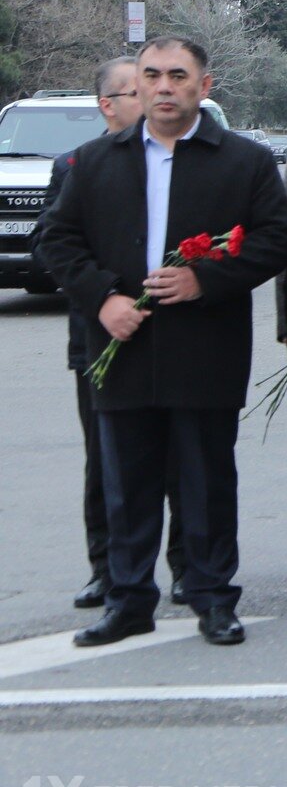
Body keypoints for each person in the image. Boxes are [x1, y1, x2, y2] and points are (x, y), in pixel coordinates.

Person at [40, 36, 287, 648]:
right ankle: (128, 599)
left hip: (205, 346)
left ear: (204, 87)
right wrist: (103, 298)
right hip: (123, 347)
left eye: (177, 75)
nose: (163, 86)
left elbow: (276, 240)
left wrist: (204, 277)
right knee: (126, 483)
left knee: (206, 481)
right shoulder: (95, 162)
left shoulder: (243, 162)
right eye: (151, 75)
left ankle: (212, 598)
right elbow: (56, 238)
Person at [34, 57, 186, 611]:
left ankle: (188, 567)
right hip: (102, 340)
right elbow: (46, 244)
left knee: (183, 460)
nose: (154, 97)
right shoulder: (75, 164)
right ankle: (107, 568)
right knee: (109, 463)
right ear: (108, 105)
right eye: (136, 89)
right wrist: (104, 291)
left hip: (180, 337)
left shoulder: (184, 159)